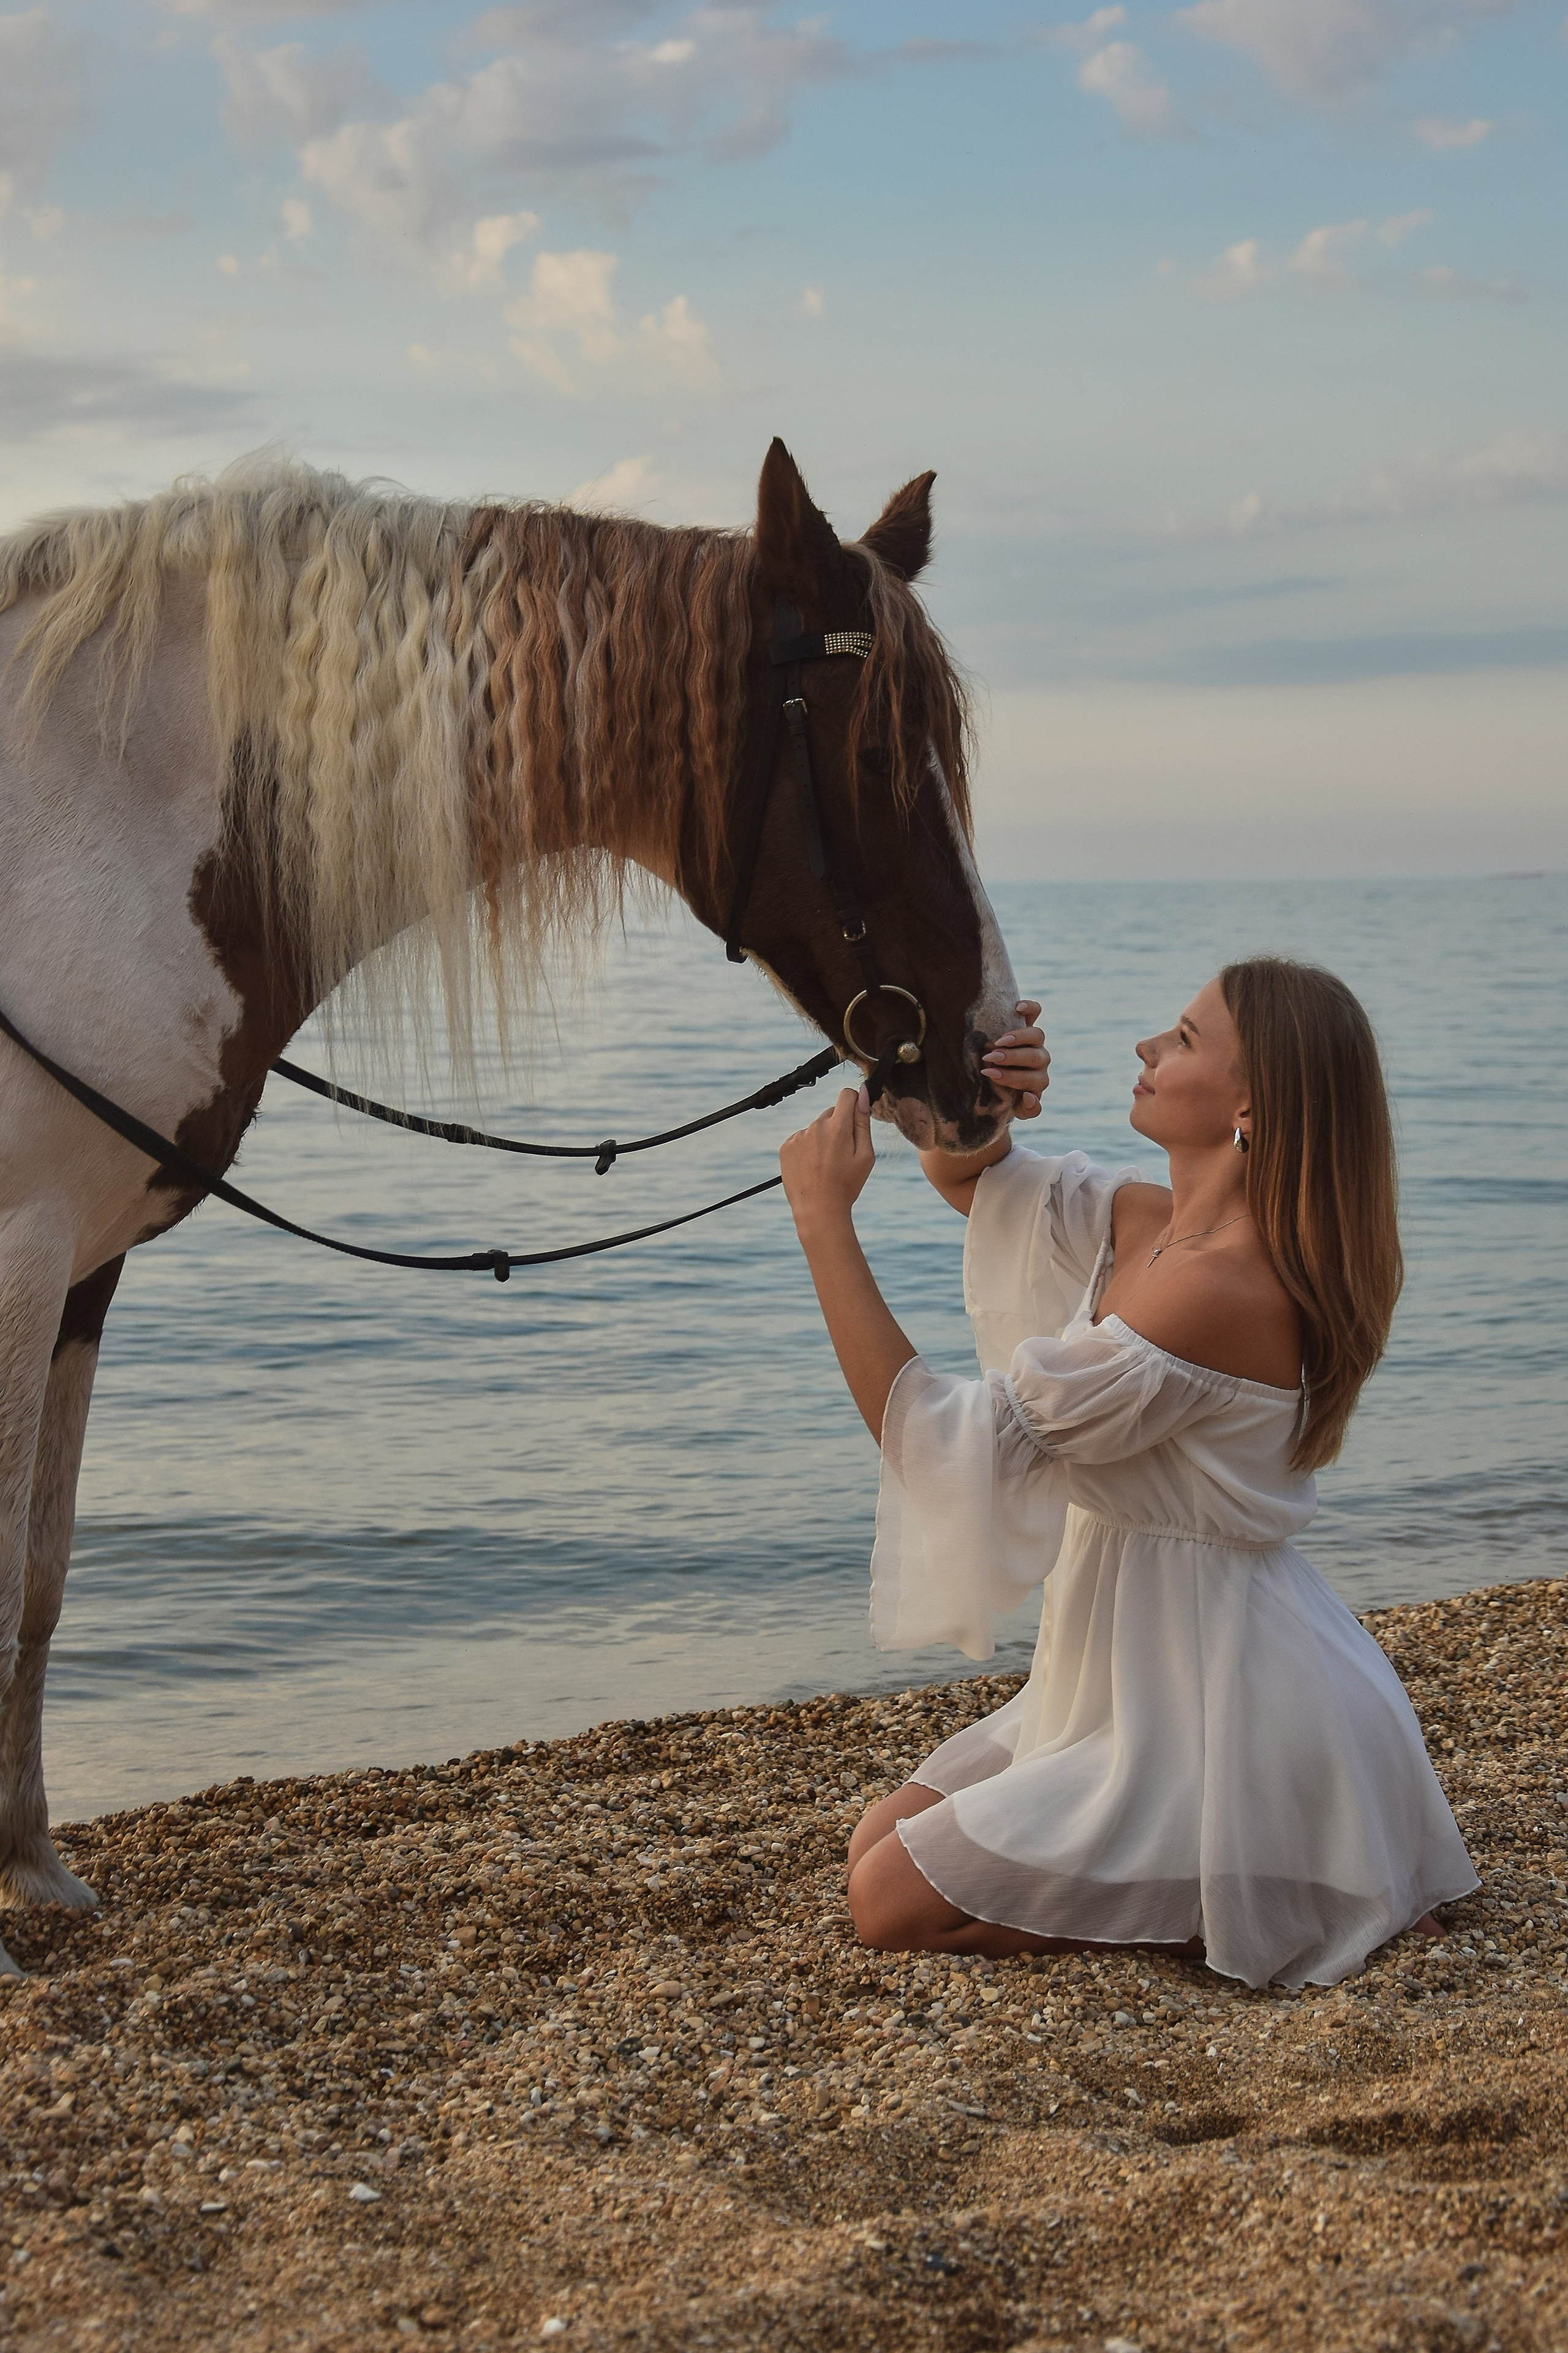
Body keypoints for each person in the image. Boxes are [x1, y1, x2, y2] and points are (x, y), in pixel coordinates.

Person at [778, 959, 1478, 1990]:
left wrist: (821, 1221)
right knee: (878, 1841)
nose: (1149, 1047)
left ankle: (1270, 1876)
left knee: (886, 1899)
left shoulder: (1224, 1284)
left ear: (1252, 1104)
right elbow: (980, 1185)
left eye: (1185, 1039)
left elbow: (950, 1444)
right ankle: (1244, 1869)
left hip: (1225, 1705)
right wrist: (977, 1092)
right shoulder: (1151, 1223)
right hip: (1117, 1676)